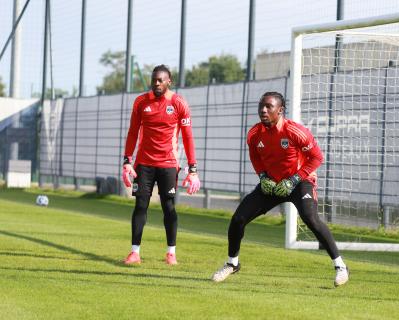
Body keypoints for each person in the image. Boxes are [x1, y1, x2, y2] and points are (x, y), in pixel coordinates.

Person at [211, 91, 349, 287]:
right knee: (238, 219)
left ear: (280, 110)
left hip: (300, 181)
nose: (263, 110)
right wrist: (262, 176)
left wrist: (294, 179)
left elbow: (317, 157)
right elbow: (255, 156)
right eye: (261, 106)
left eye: (269, 106)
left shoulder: (295, 131)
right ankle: (232, 263)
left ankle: (341, 266)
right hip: (272, 184)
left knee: (310, 218)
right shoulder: (254, 133)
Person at [122, 64, 200, 266]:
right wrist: (127, 160)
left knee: (168, 207)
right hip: (144, 164)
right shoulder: (141, 102)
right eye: (154, 80)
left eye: (160, 80)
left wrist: (193, 169)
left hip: (168, 164)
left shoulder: (178, 103)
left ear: (169, 81)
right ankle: (134, 252)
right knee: (141, 205)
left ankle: (171, 253)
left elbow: (188, 137)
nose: (156, 83)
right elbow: (132, 132)